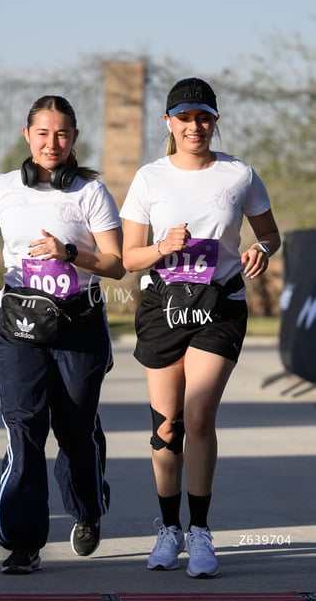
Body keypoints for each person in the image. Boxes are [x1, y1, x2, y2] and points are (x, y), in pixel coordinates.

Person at [120, 77, 280, 578]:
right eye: (184, 118)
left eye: (203, 117)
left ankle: (202, 533)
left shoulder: (239, 174)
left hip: (219, 306)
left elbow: (270, 233)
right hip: (163, 308)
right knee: (166, 428)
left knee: (198, 417)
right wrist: (163, 247)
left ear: (215, 120)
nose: (195, 127)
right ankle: (169, 529)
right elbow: (129, 257)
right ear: (169, 122)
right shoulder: (149, 178)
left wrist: (262, 249)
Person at [0, 94, 125, 575]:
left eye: (61, 134)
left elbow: (115, 264)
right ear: (26, 136)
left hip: (79, 325)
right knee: (24, 429)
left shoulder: (91, 193)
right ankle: (23, 540)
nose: (51, 142)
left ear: (74, 138)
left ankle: (87, 508)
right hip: (19, 326)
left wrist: (69, 251)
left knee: (74, 428)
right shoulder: (2, 188)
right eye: (42, 133)